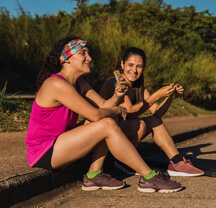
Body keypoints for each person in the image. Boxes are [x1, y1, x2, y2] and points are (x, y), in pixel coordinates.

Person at [25, 37, 181, 193]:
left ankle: (94, 174)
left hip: (62, 142)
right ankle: (149, 176)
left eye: (88, 53)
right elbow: (95, 115)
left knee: (109, 119)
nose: (89, 58)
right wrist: (119, 110)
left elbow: (104, 106)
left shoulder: (81, 84)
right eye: (83, 53)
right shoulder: (56, 84)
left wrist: (116, 95)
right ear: (66, 59)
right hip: (44, 151)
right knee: (106, 122)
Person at [100, 47, 204, 177]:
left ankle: (176, 162)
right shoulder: (115, 83)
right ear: (122, 64)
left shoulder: (139, 88)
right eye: (130, 65)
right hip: (107, 139)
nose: (134, 70)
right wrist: (156, 95)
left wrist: (170, 96)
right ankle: (124, 162)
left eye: (139, 66)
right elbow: (130, 112)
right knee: (140, 124)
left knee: (155, 121)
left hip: (123, 134)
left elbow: (157, 113)